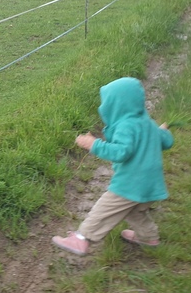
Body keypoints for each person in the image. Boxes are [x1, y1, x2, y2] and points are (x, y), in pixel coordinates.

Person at [52, 77, 174, 256]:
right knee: (134, 210)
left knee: (104, 210)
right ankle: (148, 237)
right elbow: (167, 142)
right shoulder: (149, 123)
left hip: (130, 182)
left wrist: (93, 144)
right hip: (152, 182)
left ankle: (81, 238)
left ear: (116, 105)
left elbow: (121, 152)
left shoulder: (126, 126)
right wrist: (163, 132)